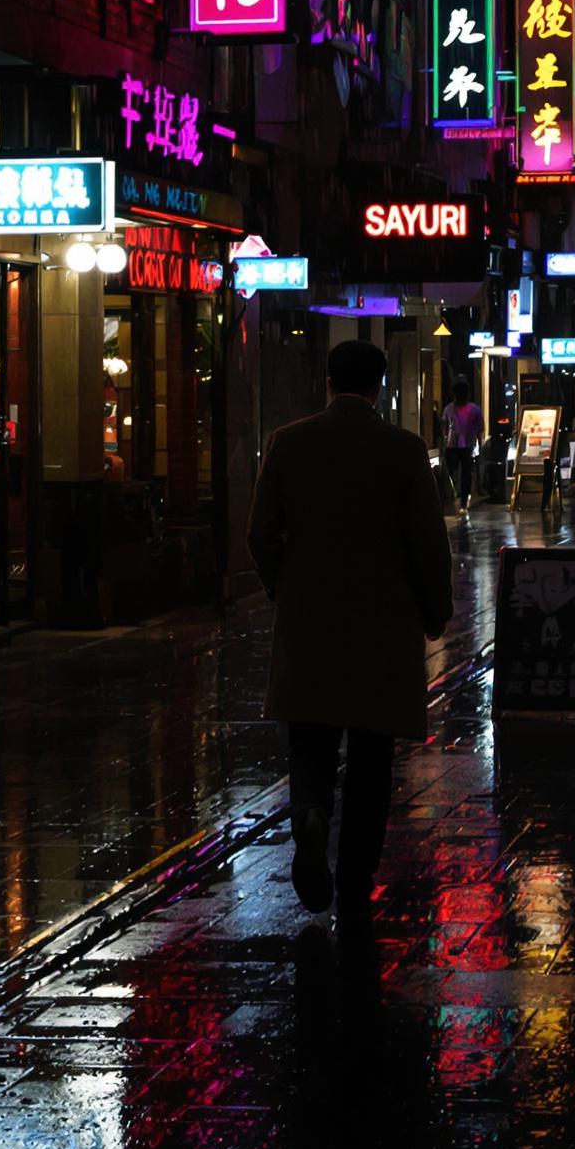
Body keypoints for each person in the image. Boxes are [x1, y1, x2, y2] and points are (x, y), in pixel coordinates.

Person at [248, 340, 454, 920]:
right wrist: (434, 610)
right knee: (371, 756)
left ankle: (311, 814)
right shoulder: (405, 451)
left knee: (310, 742)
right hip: (382, 630)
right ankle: (357, 876)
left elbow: (259, 536)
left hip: (309, 623)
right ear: (380, 386)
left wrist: (280, 585)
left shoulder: (288, 444)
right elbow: (427, 549)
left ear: (329, 381)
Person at [440, 384, 483, 510]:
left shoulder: (449, 409)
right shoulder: (473, 409)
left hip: (458, 445)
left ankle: (459, 500)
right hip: (460, 445)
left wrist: (446, 439)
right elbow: (480, 428)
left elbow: (444, 426)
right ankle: (459, 500)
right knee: (463, 474)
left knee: (459, 474)